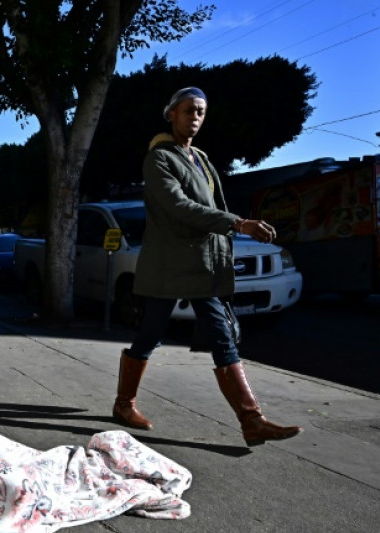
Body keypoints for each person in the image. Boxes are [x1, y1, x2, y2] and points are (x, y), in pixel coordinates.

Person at [113, 87, 302, 446]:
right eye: (188, 110)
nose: (195, 117)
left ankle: (251, 420)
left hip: (201, 264)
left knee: (216, 335)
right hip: (171, 264)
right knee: (154, 335)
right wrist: (237, 222)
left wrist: (228, 234)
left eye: (200, 111)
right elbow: (178, 205)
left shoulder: (199, 157)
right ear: (171, 114)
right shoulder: (159, 159)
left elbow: (207, 205)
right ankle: (126, 405)